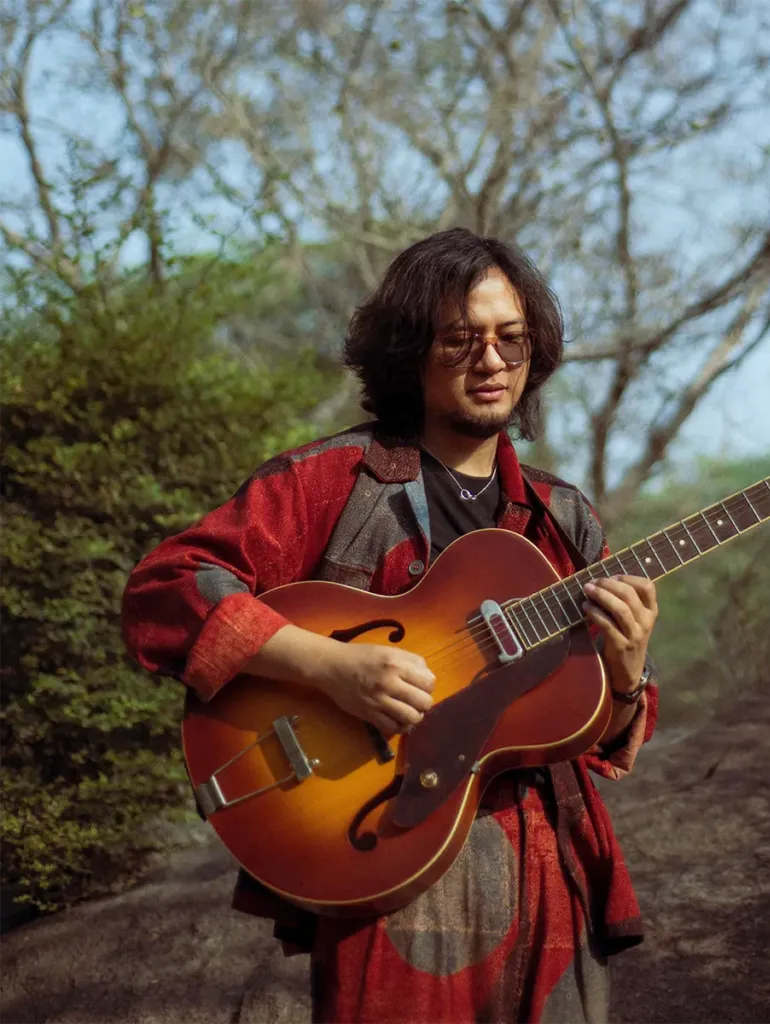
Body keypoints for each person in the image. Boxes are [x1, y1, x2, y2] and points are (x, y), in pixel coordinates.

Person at [121, 227, 660, 1024]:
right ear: (410, 351)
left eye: (511, 339)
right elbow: (167, 588)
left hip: (550, 874)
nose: (491, 361)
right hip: (387, 861)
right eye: (460, 339)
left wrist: (628, 671)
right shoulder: (331, 482)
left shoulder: (565, 518)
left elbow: (600, 735)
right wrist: (332, 668)